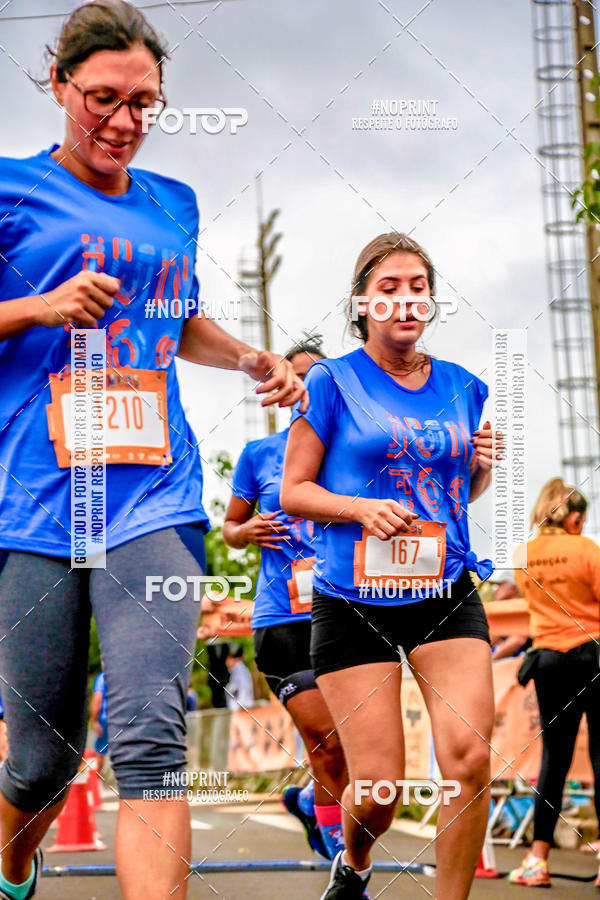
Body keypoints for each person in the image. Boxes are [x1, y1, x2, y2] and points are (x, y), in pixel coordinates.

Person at [0, 3, 306, 898]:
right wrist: (38, 308)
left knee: (148, 738)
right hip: (35, 504)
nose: (125, 122)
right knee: (38, 762)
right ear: (60, 86)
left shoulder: (175, 204)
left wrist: (251, 356)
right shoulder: (10, 191)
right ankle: (17, 857)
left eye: (146, 104)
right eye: (103, 98)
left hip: (153, 500)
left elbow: (178, 322)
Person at [281, 232, 504, 900]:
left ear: (431, 301)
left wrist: (480, 470)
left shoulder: (464, 388)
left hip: (442, 590)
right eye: (389, 288)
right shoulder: (331, 381)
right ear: (363, 303)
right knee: (380, 789)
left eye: (417, 287)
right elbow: (296, 491)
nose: (405, 299)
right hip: (353, 600)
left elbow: (454, 495)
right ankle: (353, 865)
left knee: (467, 760)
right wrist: (358, 509)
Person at [223, 337, 349, 863]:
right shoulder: (259, 455)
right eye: (297, 377)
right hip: (283, 617)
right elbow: (228, 528)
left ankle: (309, 801)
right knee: (328, 740)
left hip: (347, 609)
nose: (307, 388)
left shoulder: (356, 447)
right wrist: (245, 529)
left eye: (318, 378)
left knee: (349, 749)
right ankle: (338, 843)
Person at [508, 478, 600, 888]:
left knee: (553, 761)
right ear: (575, 517)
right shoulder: (586, 549)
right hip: (592, 654)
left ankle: (537, 860)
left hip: (547, 661)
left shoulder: (524, 555)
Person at [90, 670, 109, 777]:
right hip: (121, 716)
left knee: (100, 751)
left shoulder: (102, 677)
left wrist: (94, 720)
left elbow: (97, 699)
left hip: (104, 718)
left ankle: (97, 779)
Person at [224, 646, 255, 711]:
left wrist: (240, 708)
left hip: (242, 710)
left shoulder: (240, 670)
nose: (227, 662)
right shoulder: (236, 670)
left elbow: (244, 689)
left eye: (229, 658)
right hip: (240, 709)